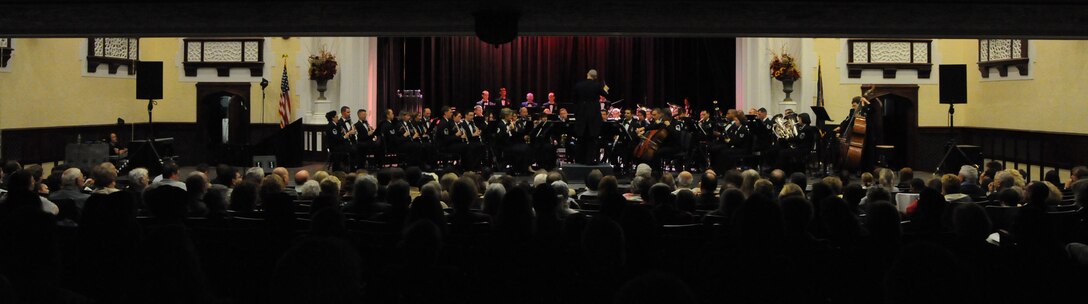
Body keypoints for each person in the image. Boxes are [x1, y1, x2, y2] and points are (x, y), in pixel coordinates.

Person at [572, 69, 609, 164]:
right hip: (593, 116)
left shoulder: (579, 85)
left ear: (587, 74)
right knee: (592, 138)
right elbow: (606, 94)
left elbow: (574, 100)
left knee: (580, 138)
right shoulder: (597, 85)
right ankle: (590, 160)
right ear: (595, 77)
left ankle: (579, 160)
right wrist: (605, 87)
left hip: (581, 114)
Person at [711, 109, 751, 174]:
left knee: (724, 152)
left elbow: (738, 142)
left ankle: (723, 171)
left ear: (740, 121)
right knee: (722, 151)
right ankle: (719, 170)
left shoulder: (743, 129)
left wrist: (729, 141)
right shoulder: (737, 128)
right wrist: (730, 141)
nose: (735, 122)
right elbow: (734, 139)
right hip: (736, 146)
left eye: (736, 121)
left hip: (742, 149)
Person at [494, 108, 532, 175]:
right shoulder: (500, 124)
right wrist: (509, 129)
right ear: (506, 116)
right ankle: (518, 168)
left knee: (525, 147)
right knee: (521, 149)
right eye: (510, 115)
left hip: (511, 143)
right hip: (505, 145)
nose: (511, 117)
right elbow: (499, 137)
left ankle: (524, 168)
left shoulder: (509, 123)